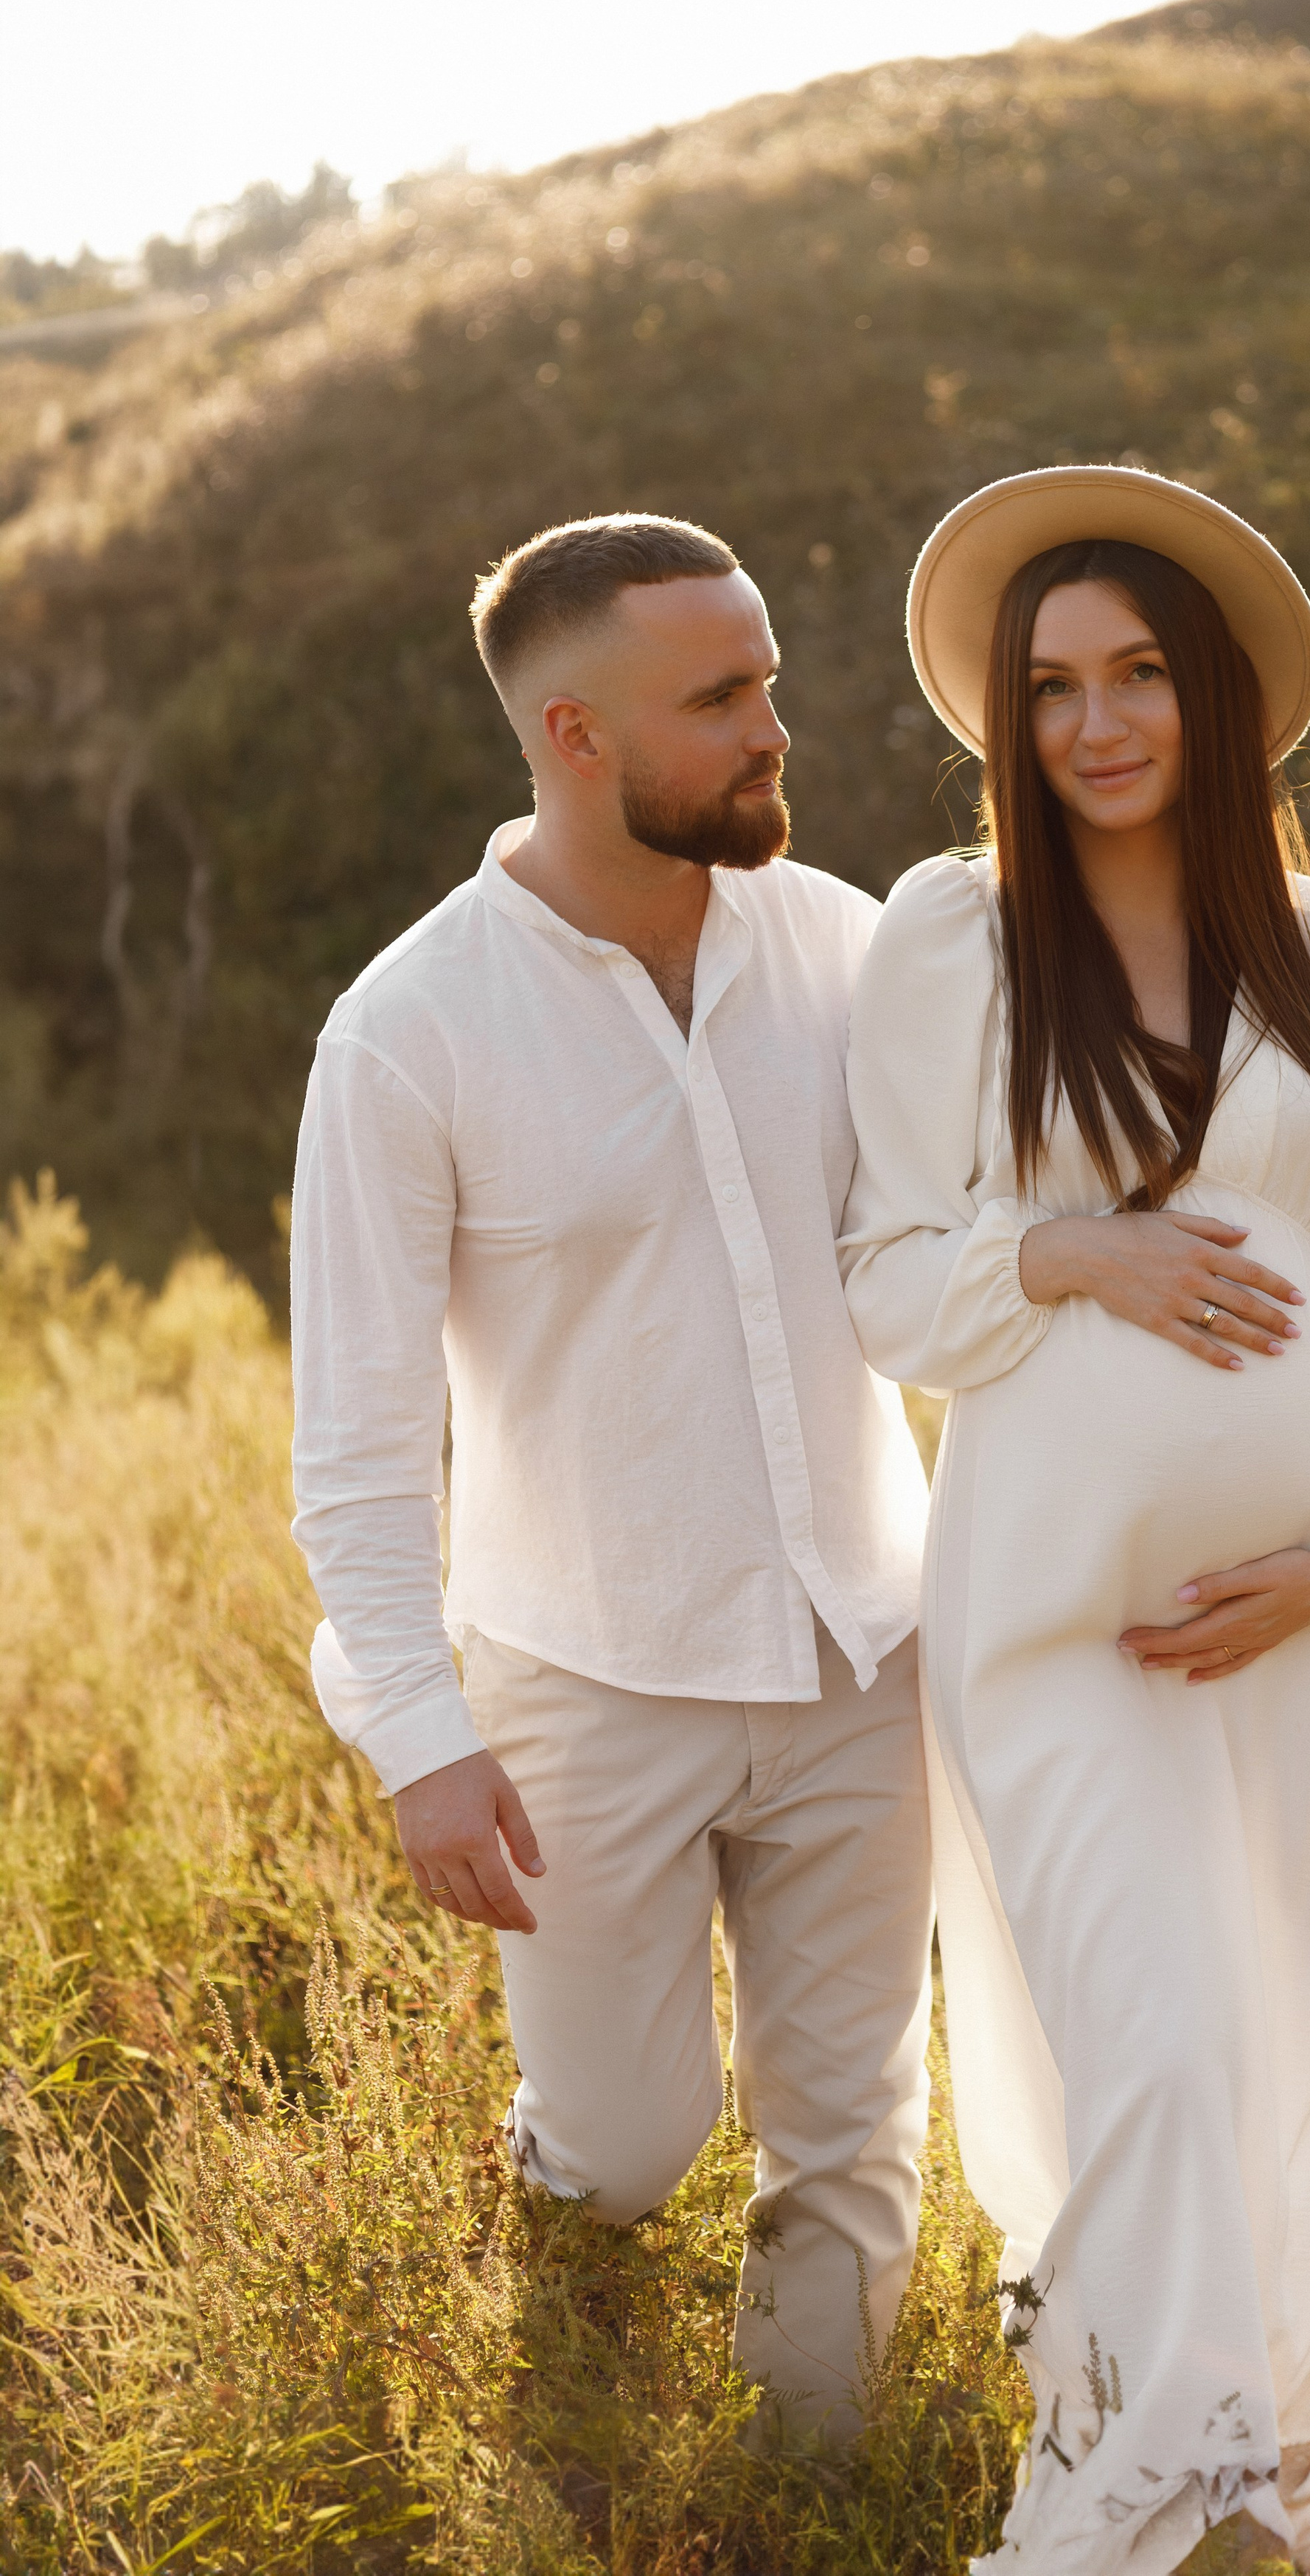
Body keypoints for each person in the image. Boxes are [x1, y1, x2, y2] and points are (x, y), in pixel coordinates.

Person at [840, 467, 1310, 2572]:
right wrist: (1077, 1259)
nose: (1095, 725)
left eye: (1135, 679)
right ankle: (1131, 2511)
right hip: (1053, 1629)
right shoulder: (955, 932)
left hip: (1294, 1625)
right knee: (1170, 2052)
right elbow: (886, 1271)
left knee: (1295, 2053)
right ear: (1006, 724)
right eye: (1050, 689)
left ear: (1211, 701)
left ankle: (1263, 2487)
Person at [288, 511, 935, 2440]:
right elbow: (357, 1437)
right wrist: (420, 1737)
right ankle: (566, 2405)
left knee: (856, 2132)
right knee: (627, 2145)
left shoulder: (848, 944)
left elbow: (971, 1249)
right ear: (575, 735)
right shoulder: (407, 1037)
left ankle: (813, 2506)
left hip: (861, 1658)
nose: (772, 729)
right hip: (586, 1686)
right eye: (720, 699)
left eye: (769, 682)